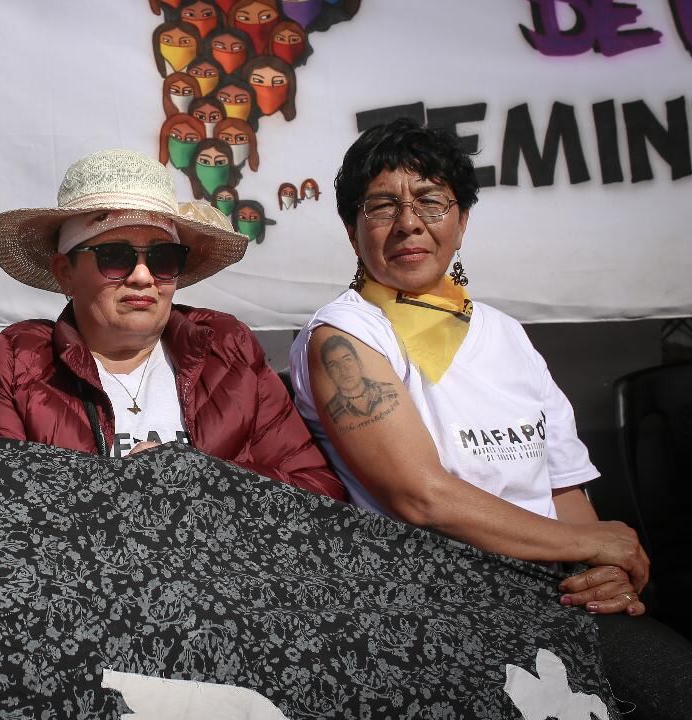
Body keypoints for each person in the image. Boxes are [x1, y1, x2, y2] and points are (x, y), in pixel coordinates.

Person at [289, 118, 692, 718]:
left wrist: (598, 570)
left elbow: (562, 489)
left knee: (672, 679)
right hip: (429, 603)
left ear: (463, 219)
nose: (408, 223)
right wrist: (587, 542)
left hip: (555, 593)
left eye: (431, 200)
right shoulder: (344, 337)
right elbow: (419, 496)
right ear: (352, 231)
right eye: (381, 207)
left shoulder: (507, 334)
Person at [0, 149, 344, 500]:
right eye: (115, 255)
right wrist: (118, 486)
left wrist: (201, 480)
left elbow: (319, 490)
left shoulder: (229, 348)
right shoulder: (12, 362)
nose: (142, 277)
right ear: (65, 272)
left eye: (163, 258)